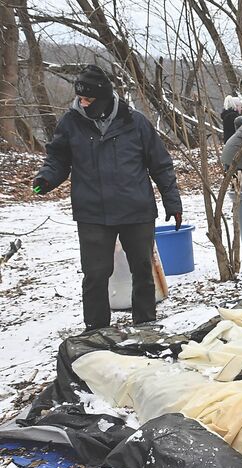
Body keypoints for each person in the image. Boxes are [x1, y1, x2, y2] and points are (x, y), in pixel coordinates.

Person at [32, 64, 182, 331]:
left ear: (103, 98)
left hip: (136, 210)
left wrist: (173, 202)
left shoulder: (135, 122)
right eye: (80, 98)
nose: (82, 103)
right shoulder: (71, 123)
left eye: (88, 99)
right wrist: (46, 178)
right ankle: (96, 330)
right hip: (93, 213)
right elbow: (58, 159)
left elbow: (161, 164)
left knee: (143, 270)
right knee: (95, 274)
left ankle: (145, 324)